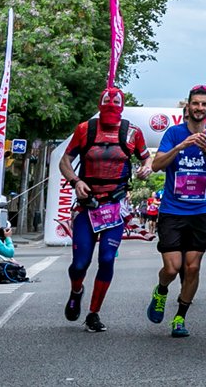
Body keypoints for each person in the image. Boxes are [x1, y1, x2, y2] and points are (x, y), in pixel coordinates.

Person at [59, 87, 152, 333]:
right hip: (87, 206)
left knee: (107, 259)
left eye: (116, 102)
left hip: (114, 206)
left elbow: (146, 158)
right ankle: (76, 290)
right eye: (107, 102)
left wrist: (147, 168)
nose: (111, 106)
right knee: (80, 263)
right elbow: (64, 160)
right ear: (100, 105)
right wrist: (76, 182)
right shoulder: (84, 130)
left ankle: (93, 313)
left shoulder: (133, 133)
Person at [147, 85, 206, 337]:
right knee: (172, 268)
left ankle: (180, 317)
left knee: (192, 268)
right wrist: (180, 146)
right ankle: (161, 290)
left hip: (199, 212)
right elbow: (157, 165)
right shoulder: (173, 133)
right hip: (172, 210)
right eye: (196, 103)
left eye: (204, 104)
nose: (200, 108)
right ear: (188, 107)